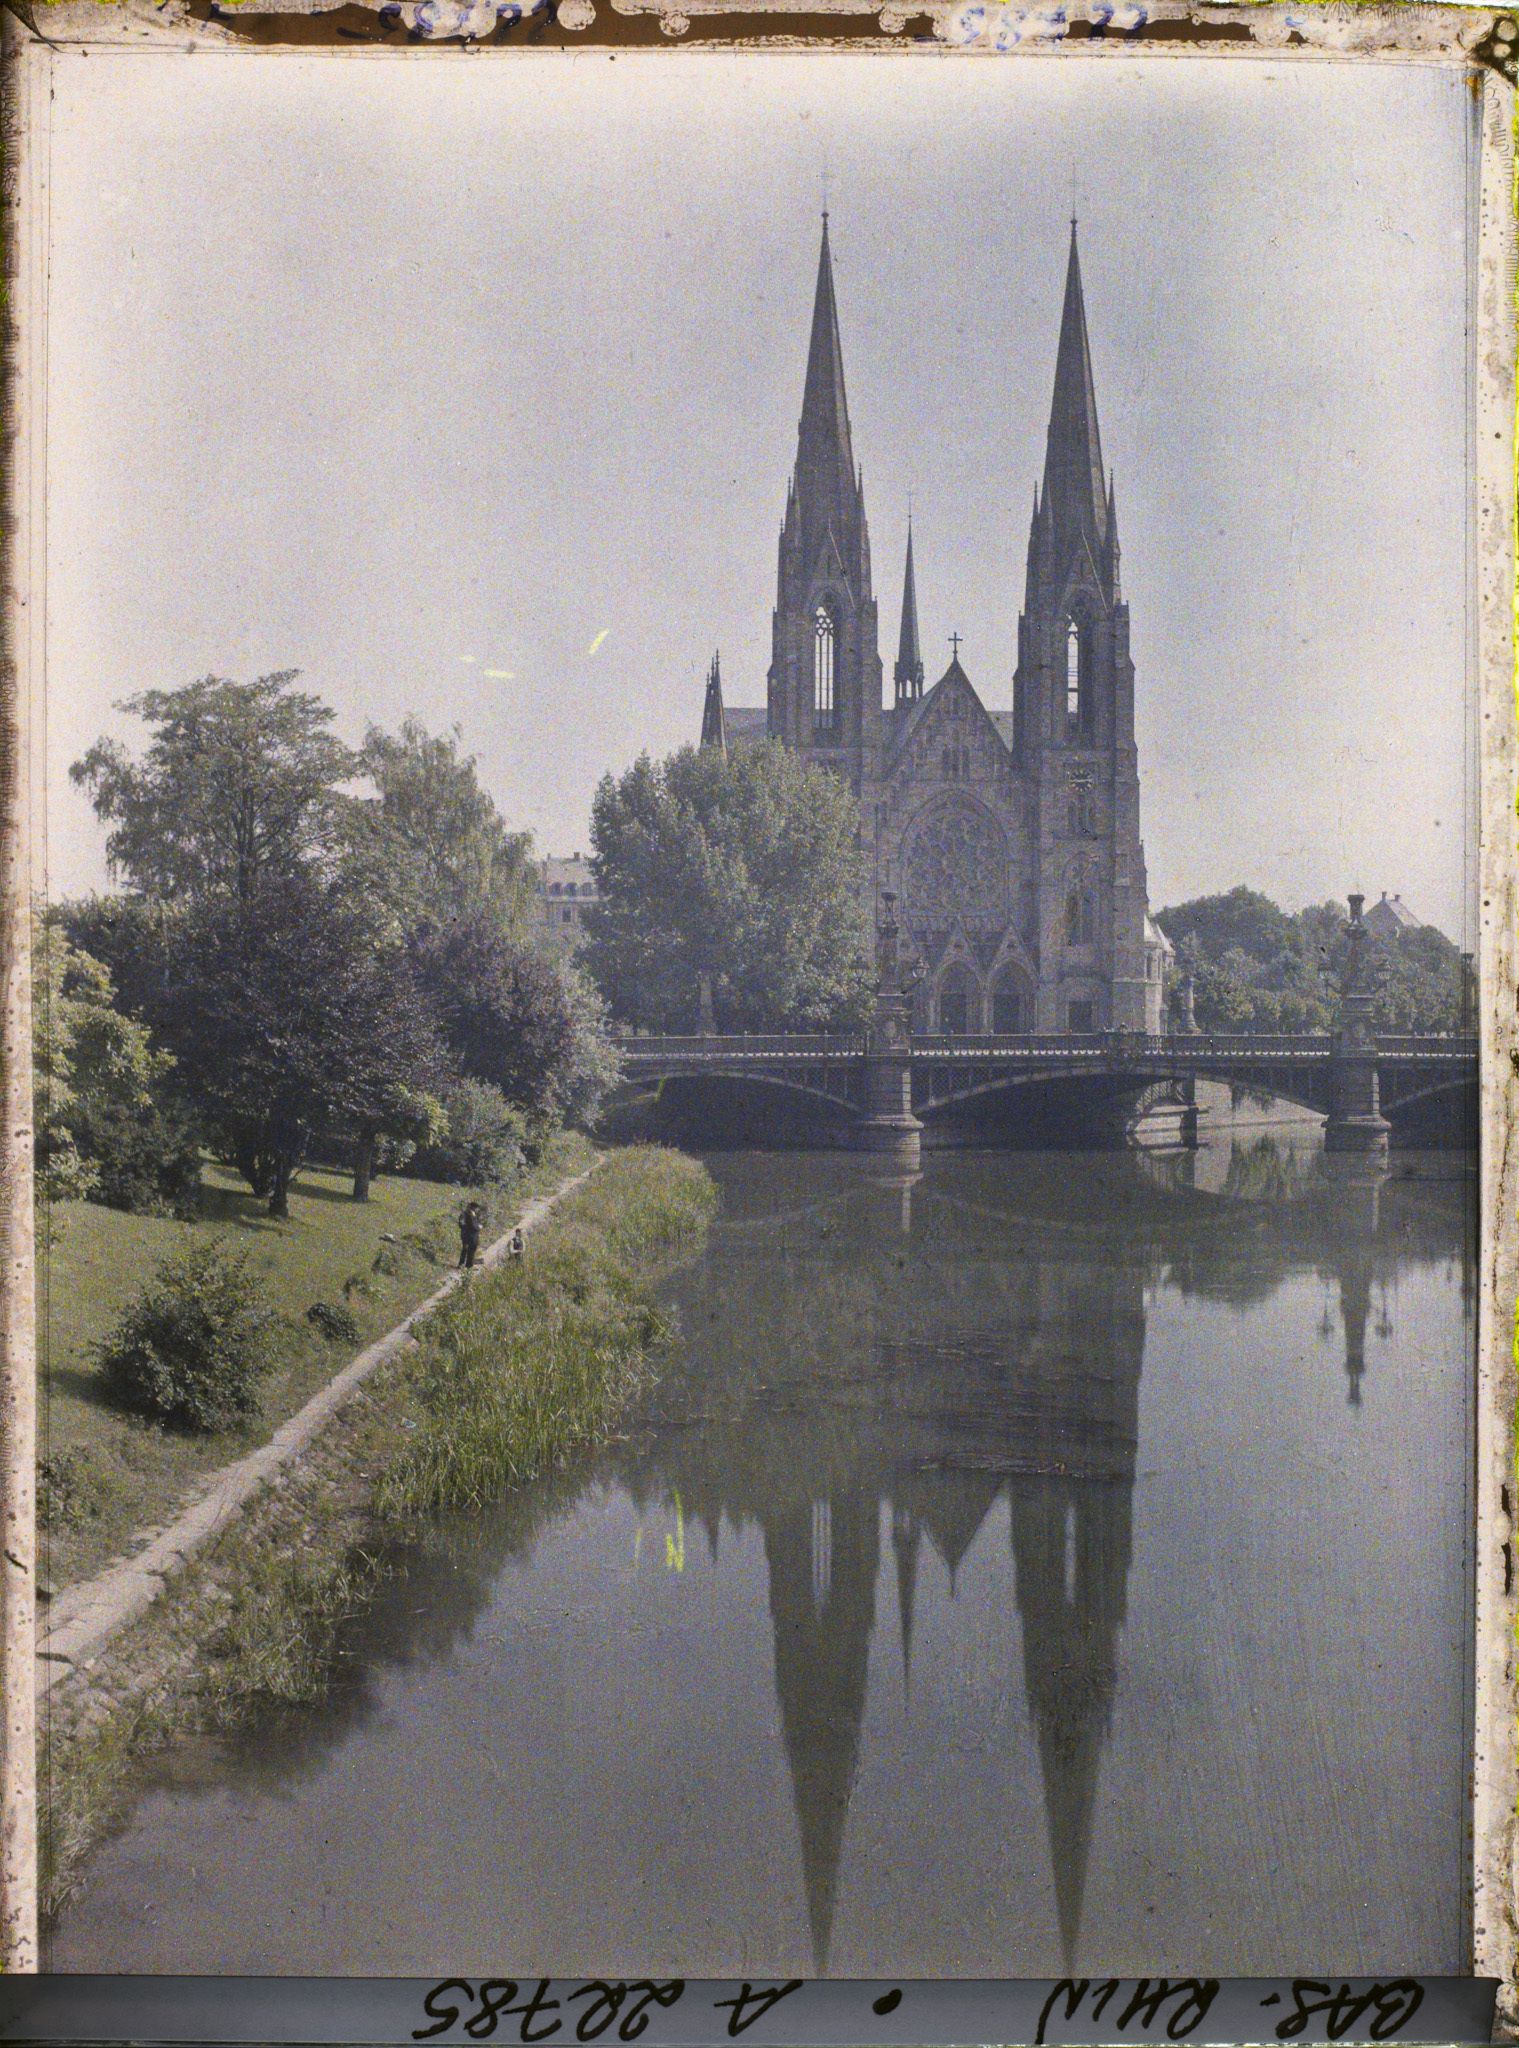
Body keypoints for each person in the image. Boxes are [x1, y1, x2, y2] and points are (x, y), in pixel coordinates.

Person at [458, 1200, 482, 1271]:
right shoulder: (464, 1214)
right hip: (467, 1235)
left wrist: (477, 1227)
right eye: (475, 1207)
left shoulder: (474, 1214)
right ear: (471, 1207)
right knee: (465, 1249)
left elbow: (475, 1223)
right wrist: (477, 1227)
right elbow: (461, 1224)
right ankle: (461, 1264)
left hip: (473, 1235)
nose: (476, 1209)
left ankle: (469, 1265)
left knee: (471, 1249)